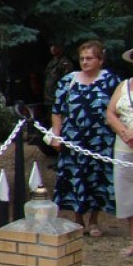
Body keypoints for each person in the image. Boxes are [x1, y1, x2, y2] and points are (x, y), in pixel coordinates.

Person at [50, 40, 119, 237]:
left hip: (101, 141)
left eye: (89, 58)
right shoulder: (68, 80)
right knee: (75, 178)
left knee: (97, 180)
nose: (85, 62)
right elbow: (57, 110)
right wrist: (56, 135)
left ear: (100, 60)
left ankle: (94, 220)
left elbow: (117, 109)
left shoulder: (111, 81)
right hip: (73, 141)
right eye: (82, 58)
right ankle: (77, 219)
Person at [107, 40, 133, 258]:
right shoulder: (124, 84)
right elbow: (111, 112)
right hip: (124, 147)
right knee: (128, 194)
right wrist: (124, 132)